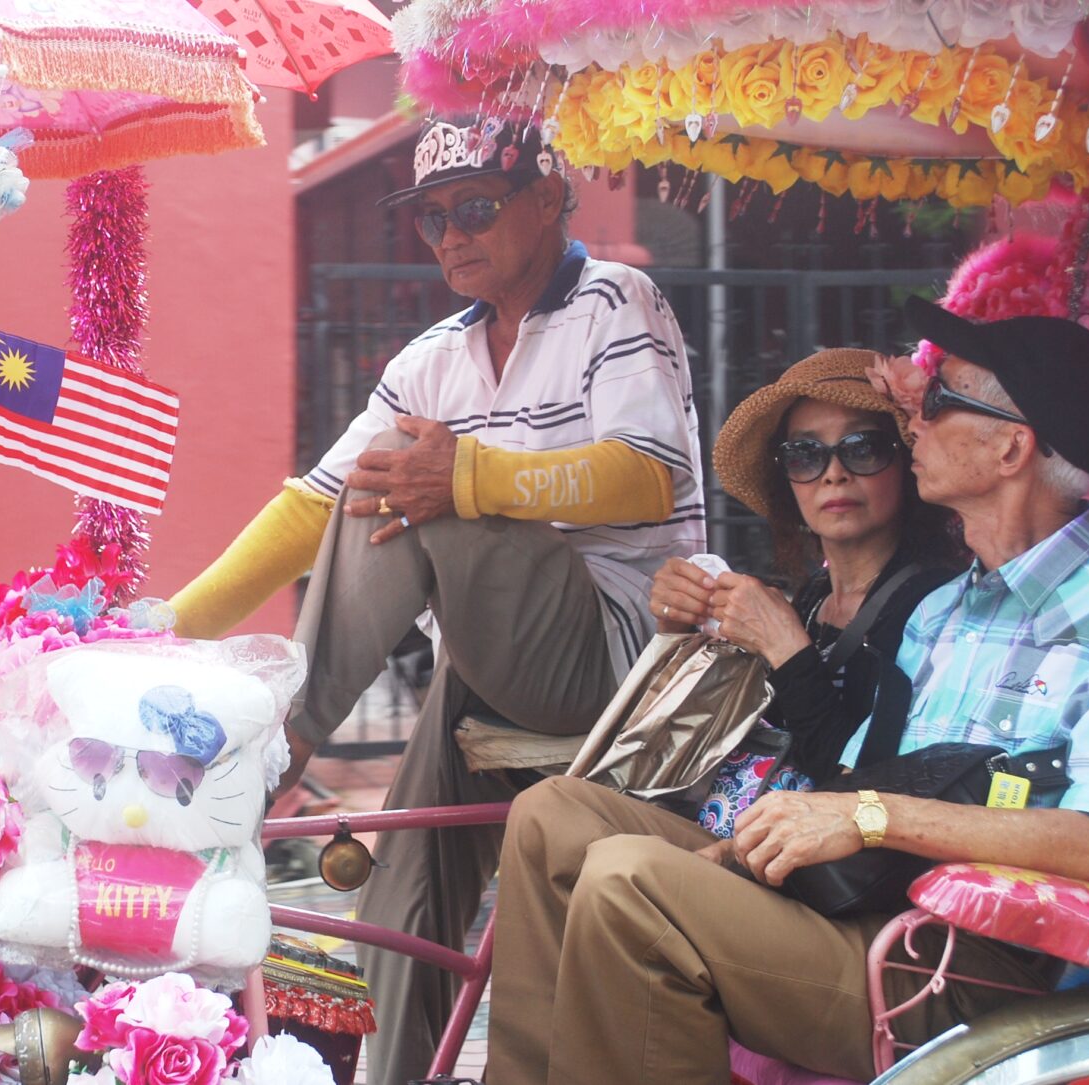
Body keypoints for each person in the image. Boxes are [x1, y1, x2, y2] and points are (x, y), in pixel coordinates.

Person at [486, 297, 1089, 1085]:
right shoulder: (952, 605)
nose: (914, 427)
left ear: (1011, 448)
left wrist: (864, 813)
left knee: (628, 879)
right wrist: (768, 835)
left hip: (957, 964)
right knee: (551, 815)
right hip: (865, 900)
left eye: (935, 403)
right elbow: (860, 777)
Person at [165, 118, 706, 1083]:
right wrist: (165, 631)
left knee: (415, 480)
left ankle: (264, 763)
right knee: (395, 909)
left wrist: (466, 479)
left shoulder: (617, 300)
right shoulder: (431, 359)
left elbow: (645, 478)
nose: (452, 233)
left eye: (476, 207)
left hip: (621, 652)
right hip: (493, 659)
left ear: (549, 198)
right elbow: (308, 510)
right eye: (429, 217)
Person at [649, 348, 963, 816]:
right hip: (733, 833)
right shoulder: (815, 598)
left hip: (817, 870)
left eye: (863, 449)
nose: (833, 474)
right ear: (786, 480)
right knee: (554, 804)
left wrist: (786, 648)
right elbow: (674, 744)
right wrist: (678, 625)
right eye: (805, 455)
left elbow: (861, 786)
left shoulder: (934, 602)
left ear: (907, 462)